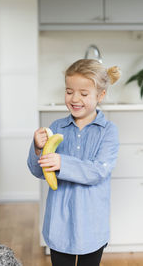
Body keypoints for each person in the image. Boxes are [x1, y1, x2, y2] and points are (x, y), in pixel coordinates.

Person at [27, 59, 121, 266]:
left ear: (100, 96)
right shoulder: (56, 127)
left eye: (84, 94)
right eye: (69, 91)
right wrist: (36, 148)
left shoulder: (108, 132)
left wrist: (62, 163)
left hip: (92, 225)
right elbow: (38, 171)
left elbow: (98, 171)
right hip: (59, 223)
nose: (75, 99)